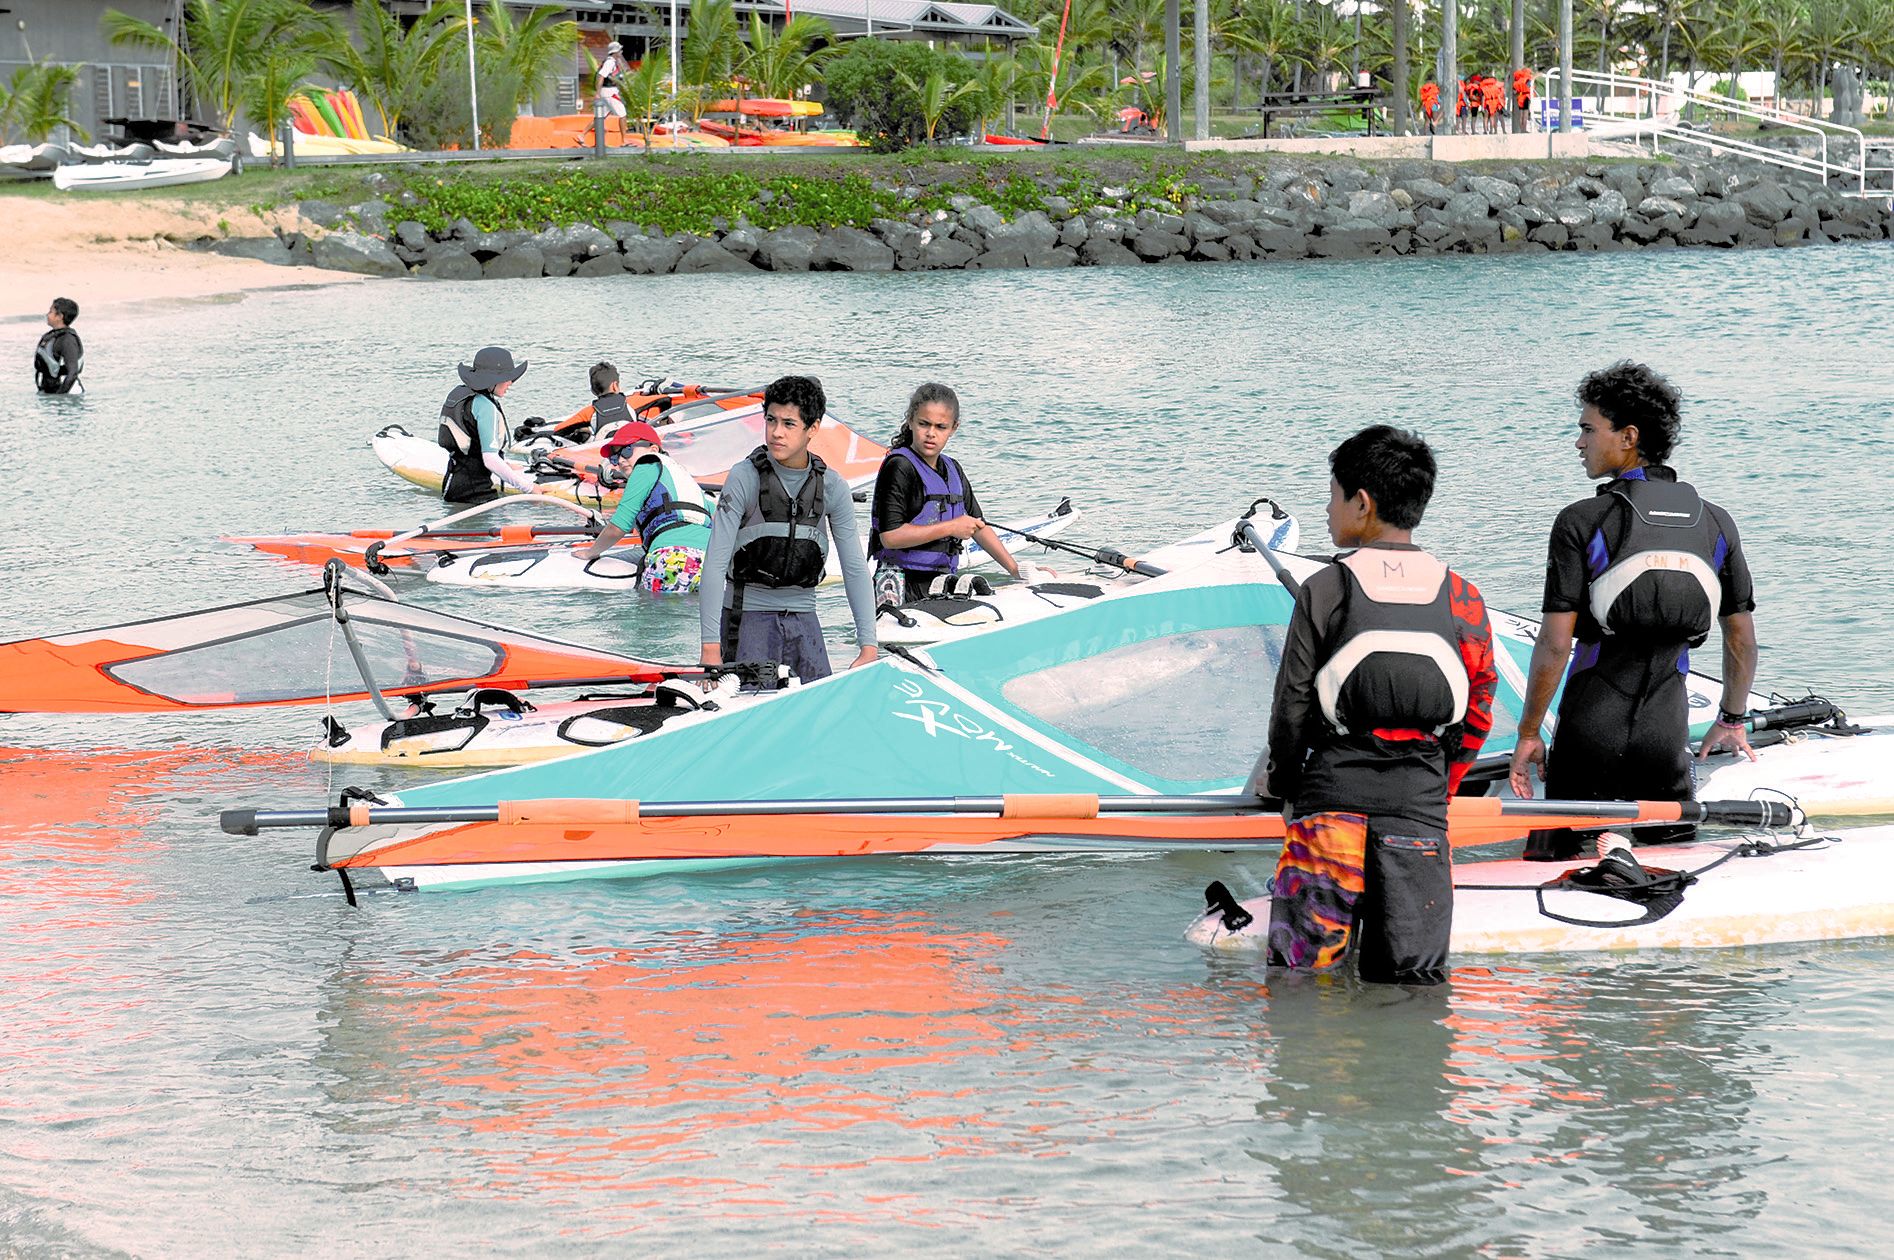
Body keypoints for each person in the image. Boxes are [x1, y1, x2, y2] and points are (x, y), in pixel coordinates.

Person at [1245, 425, 1498, 986]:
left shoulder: (1326, 588)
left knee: (1302, 984)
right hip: (1420, 815)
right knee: (1412, 990)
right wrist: (1442, 784)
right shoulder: (1462, 595)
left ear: (1362, 502)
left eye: (1332, 496)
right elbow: (1480, 704)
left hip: (1328, 810)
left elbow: (1289, 707)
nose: (1329, 509)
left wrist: (1287, 786)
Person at [1509, 362, 1758, 858]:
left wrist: (1529, 733)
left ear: (1627, 437)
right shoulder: (1716, 522)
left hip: (1589, 727)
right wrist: (1731, 717)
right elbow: (1741, 638)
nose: (1578, 443)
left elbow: (1556, 643)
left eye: (1586, 429)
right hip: (1665, 732)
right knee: (1670, 867)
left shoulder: (1583, 520)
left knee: (1557, 867)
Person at [698, 374, 877, 681]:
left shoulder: (832, 486)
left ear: (813, 428)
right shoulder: (744, 478)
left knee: (819, 718)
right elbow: (714, 564)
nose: (776, 433)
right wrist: (710, 647)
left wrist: (868, 645)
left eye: (789, 424)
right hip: (745, 622)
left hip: (805, 624)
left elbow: (855, 568)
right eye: (771, 420)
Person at [866, 383, 1047, 607]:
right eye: (924, 424)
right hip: (900, 582)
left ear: (954, 428)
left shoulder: (953, 469)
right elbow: (890, 537)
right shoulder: (899, 467)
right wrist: (951, 527)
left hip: (939, 582)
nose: (931, 433)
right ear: (911, 421)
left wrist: (1016, 569)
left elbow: (978, 526)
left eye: (941, 427)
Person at [577, 420, 713, 593]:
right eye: (615, 457)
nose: (620, 460)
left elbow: (618, 527)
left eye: (627, 450)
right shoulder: (686, 482)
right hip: (713, 561)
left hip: (673, 559)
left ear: (653, 450)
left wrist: (591, 552)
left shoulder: (645, 467)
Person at [438, 346, 540, 505]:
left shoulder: (462, 395)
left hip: (452, 485)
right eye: (507, 378)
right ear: (492, 381)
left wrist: (505, 465)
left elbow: (473, 448)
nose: (510, 383)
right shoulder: (485, 406)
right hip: (476, 494)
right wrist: (530, 489)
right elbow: (490, 460)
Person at [35, 297, 83, 394]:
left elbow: (72, 373)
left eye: (51, 312)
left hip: (68, 394)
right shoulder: (54, 337)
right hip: (51, 391)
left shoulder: (67, 340)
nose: (47, 315)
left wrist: (60, 397)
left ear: (60, 316)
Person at [590, 40, 629, 143]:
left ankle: (582, 135)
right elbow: (601, 76)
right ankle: (624, 141)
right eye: (620, 50)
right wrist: (598, 92)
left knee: (600, 116)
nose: (621, 52)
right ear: (615, 52)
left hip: (609, 92)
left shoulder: (614, 62)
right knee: (622, 114)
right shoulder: (610, 62)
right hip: (609, 92)